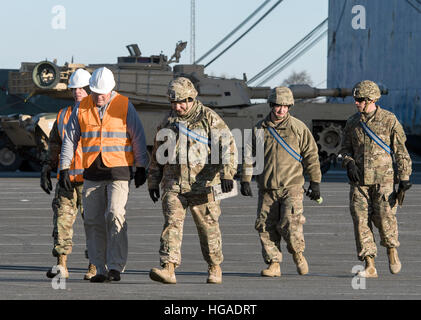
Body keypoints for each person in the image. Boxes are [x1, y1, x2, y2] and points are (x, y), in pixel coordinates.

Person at [59, 67, 148, 282]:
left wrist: (142, 166)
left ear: (111, 90)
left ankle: (116, 266)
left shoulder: (124, 105)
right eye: (96, 92)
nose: (99, 97)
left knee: (115, 213)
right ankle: (100, 269)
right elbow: (70, 139)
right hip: (92, 173)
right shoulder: (82, 107)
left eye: (103, 93)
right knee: (92, 220)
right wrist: (64, 167)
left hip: (118, 171)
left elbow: (138, 136)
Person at [148, 77, 237, 284]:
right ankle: (168, 268)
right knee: (172, 225)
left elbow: (228, 146)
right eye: (173, 103)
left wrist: (227, 174)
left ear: (191, 99)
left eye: (181, 102)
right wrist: (153, 180)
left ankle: (214, 267)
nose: (177, 107)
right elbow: (158, 153)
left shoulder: (209, 118)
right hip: (174, 184)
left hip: (203, 185)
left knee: (208, 228)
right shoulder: (167, 122)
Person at [240, 86, 321, 277]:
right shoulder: (259, 129)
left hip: (291, 186)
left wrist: (315, 181)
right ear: (271, 105)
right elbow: (249, 155)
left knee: (290, 223)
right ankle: (274, 263)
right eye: (278, 106)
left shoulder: (298, 128)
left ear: (290, 107)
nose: (281, 110)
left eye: (285, 106)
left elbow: (311, 155)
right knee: (265, 226)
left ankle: (298, 254)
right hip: (267, 187)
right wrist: (245, 179)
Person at [340, 80, 412, 278]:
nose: (357, 103)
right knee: (361, 222)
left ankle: (391, 250)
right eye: (355, 99)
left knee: (385, 220)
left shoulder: (389, 120)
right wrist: (349, 162)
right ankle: (369, 264)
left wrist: (404, 178)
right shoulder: (353, 122)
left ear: (372, 99)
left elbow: (401, 151)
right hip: (359, 183)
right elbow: (344, 148)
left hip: (384, 182)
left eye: (360, 100)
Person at [41, 68, 97, 280]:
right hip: (66, 180)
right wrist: (47, 167)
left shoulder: (97, 114)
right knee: (61, 222)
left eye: (81, 88)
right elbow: (55, 143)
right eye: (74, 89)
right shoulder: (64, 115)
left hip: (90, 179)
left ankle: (94, 265)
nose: (77, 92)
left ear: (90, 89)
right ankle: (61, 265)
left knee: (93, 224)